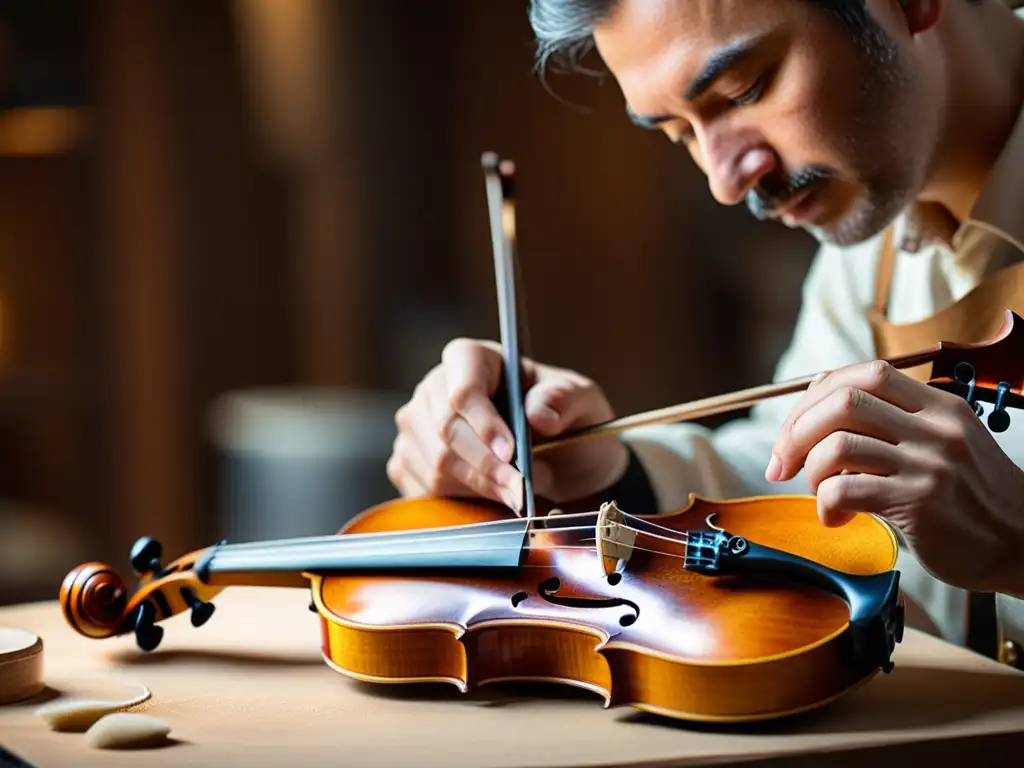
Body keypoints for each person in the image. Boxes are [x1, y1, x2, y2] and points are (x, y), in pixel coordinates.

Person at [386, 0, 1024, 665]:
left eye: (744, 89)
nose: (724, 180)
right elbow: (794, 478)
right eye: (679, 132)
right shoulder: (877, 229)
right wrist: (602, 469)